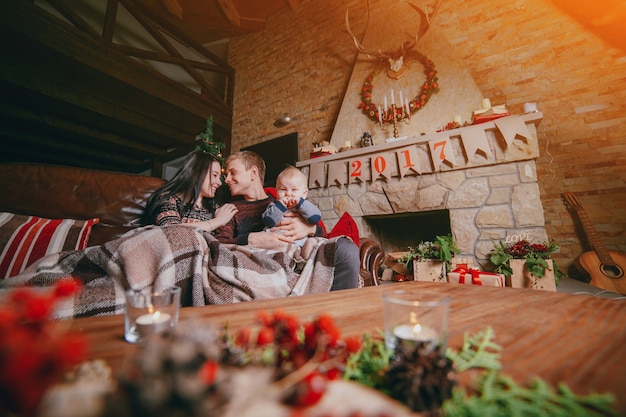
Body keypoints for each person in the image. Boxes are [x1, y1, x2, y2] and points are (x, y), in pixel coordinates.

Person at [213, 150, 360, 290]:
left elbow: (323, 235)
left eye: (233, 173)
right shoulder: (230, 209)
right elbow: (217, 245)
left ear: (253, 173)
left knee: (346, 248)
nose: (226, 180)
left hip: (301, 254)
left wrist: (310, 229)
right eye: (227, 174)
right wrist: (251, 239)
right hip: (264, 264)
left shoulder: (284, 200)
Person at [142, 149, 238, 232]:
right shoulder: (167, 199)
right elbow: (172, 231)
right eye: (214, 175)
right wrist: (218, 221)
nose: (219, 183)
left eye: (219, 177)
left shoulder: (214, 207)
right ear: (197, 173)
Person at [262, 165, 321, 247]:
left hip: (298, 244)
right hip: (276, 243)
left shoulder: (305, 205)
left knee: (313, 244)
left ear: (304, 193)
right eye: (283, 189)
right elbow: (269, 221)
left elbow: (315, 218)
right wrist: (280, 206)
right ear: (276, 191)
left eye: (294, 190)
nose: (288, 194)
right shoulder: (275, 205)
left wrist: (300, 203)